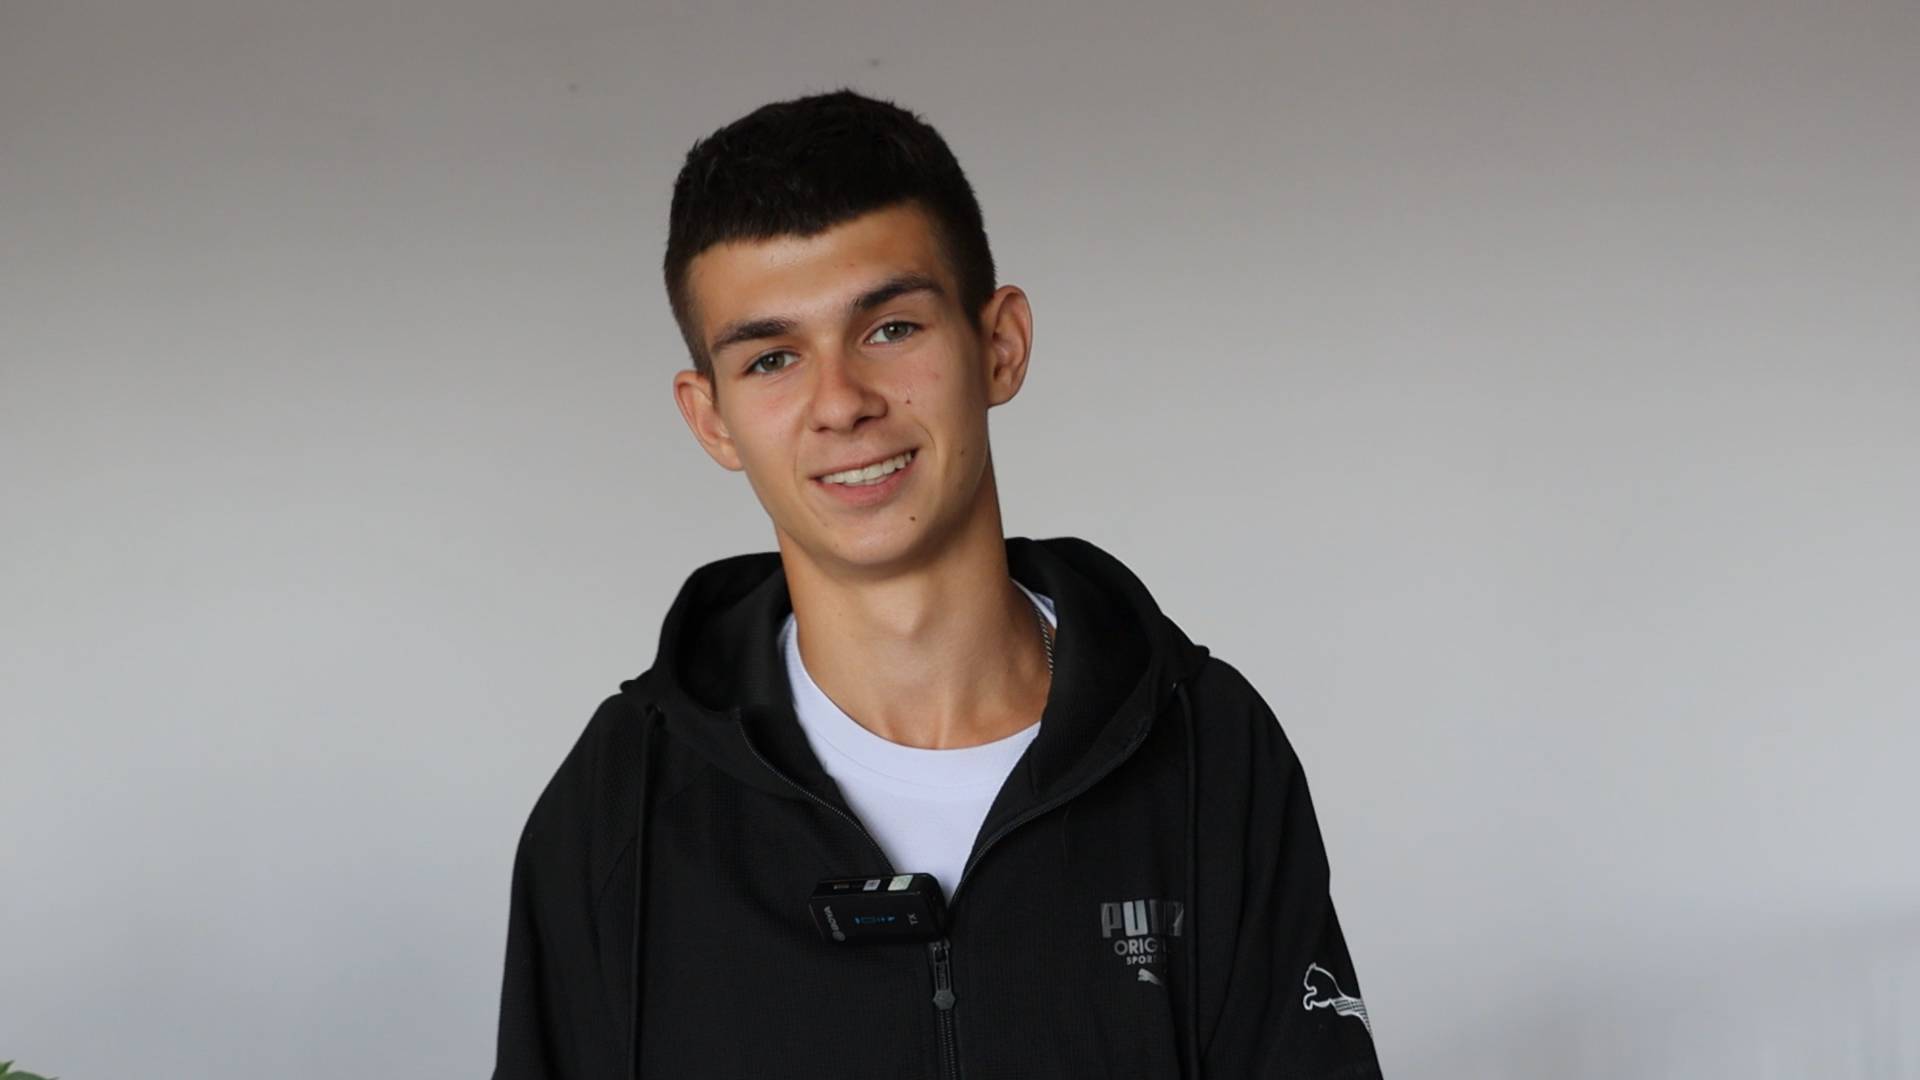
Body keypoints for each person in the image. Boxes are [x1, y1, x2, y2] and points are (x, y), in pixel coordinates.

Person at [490, 88, 1384, 1080]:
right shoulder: (621, 803)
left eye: (890, 329)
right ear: (711, 419)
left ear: (999, 346)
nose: (841, 403)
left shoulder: (1207, 749)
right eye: (773, 358)